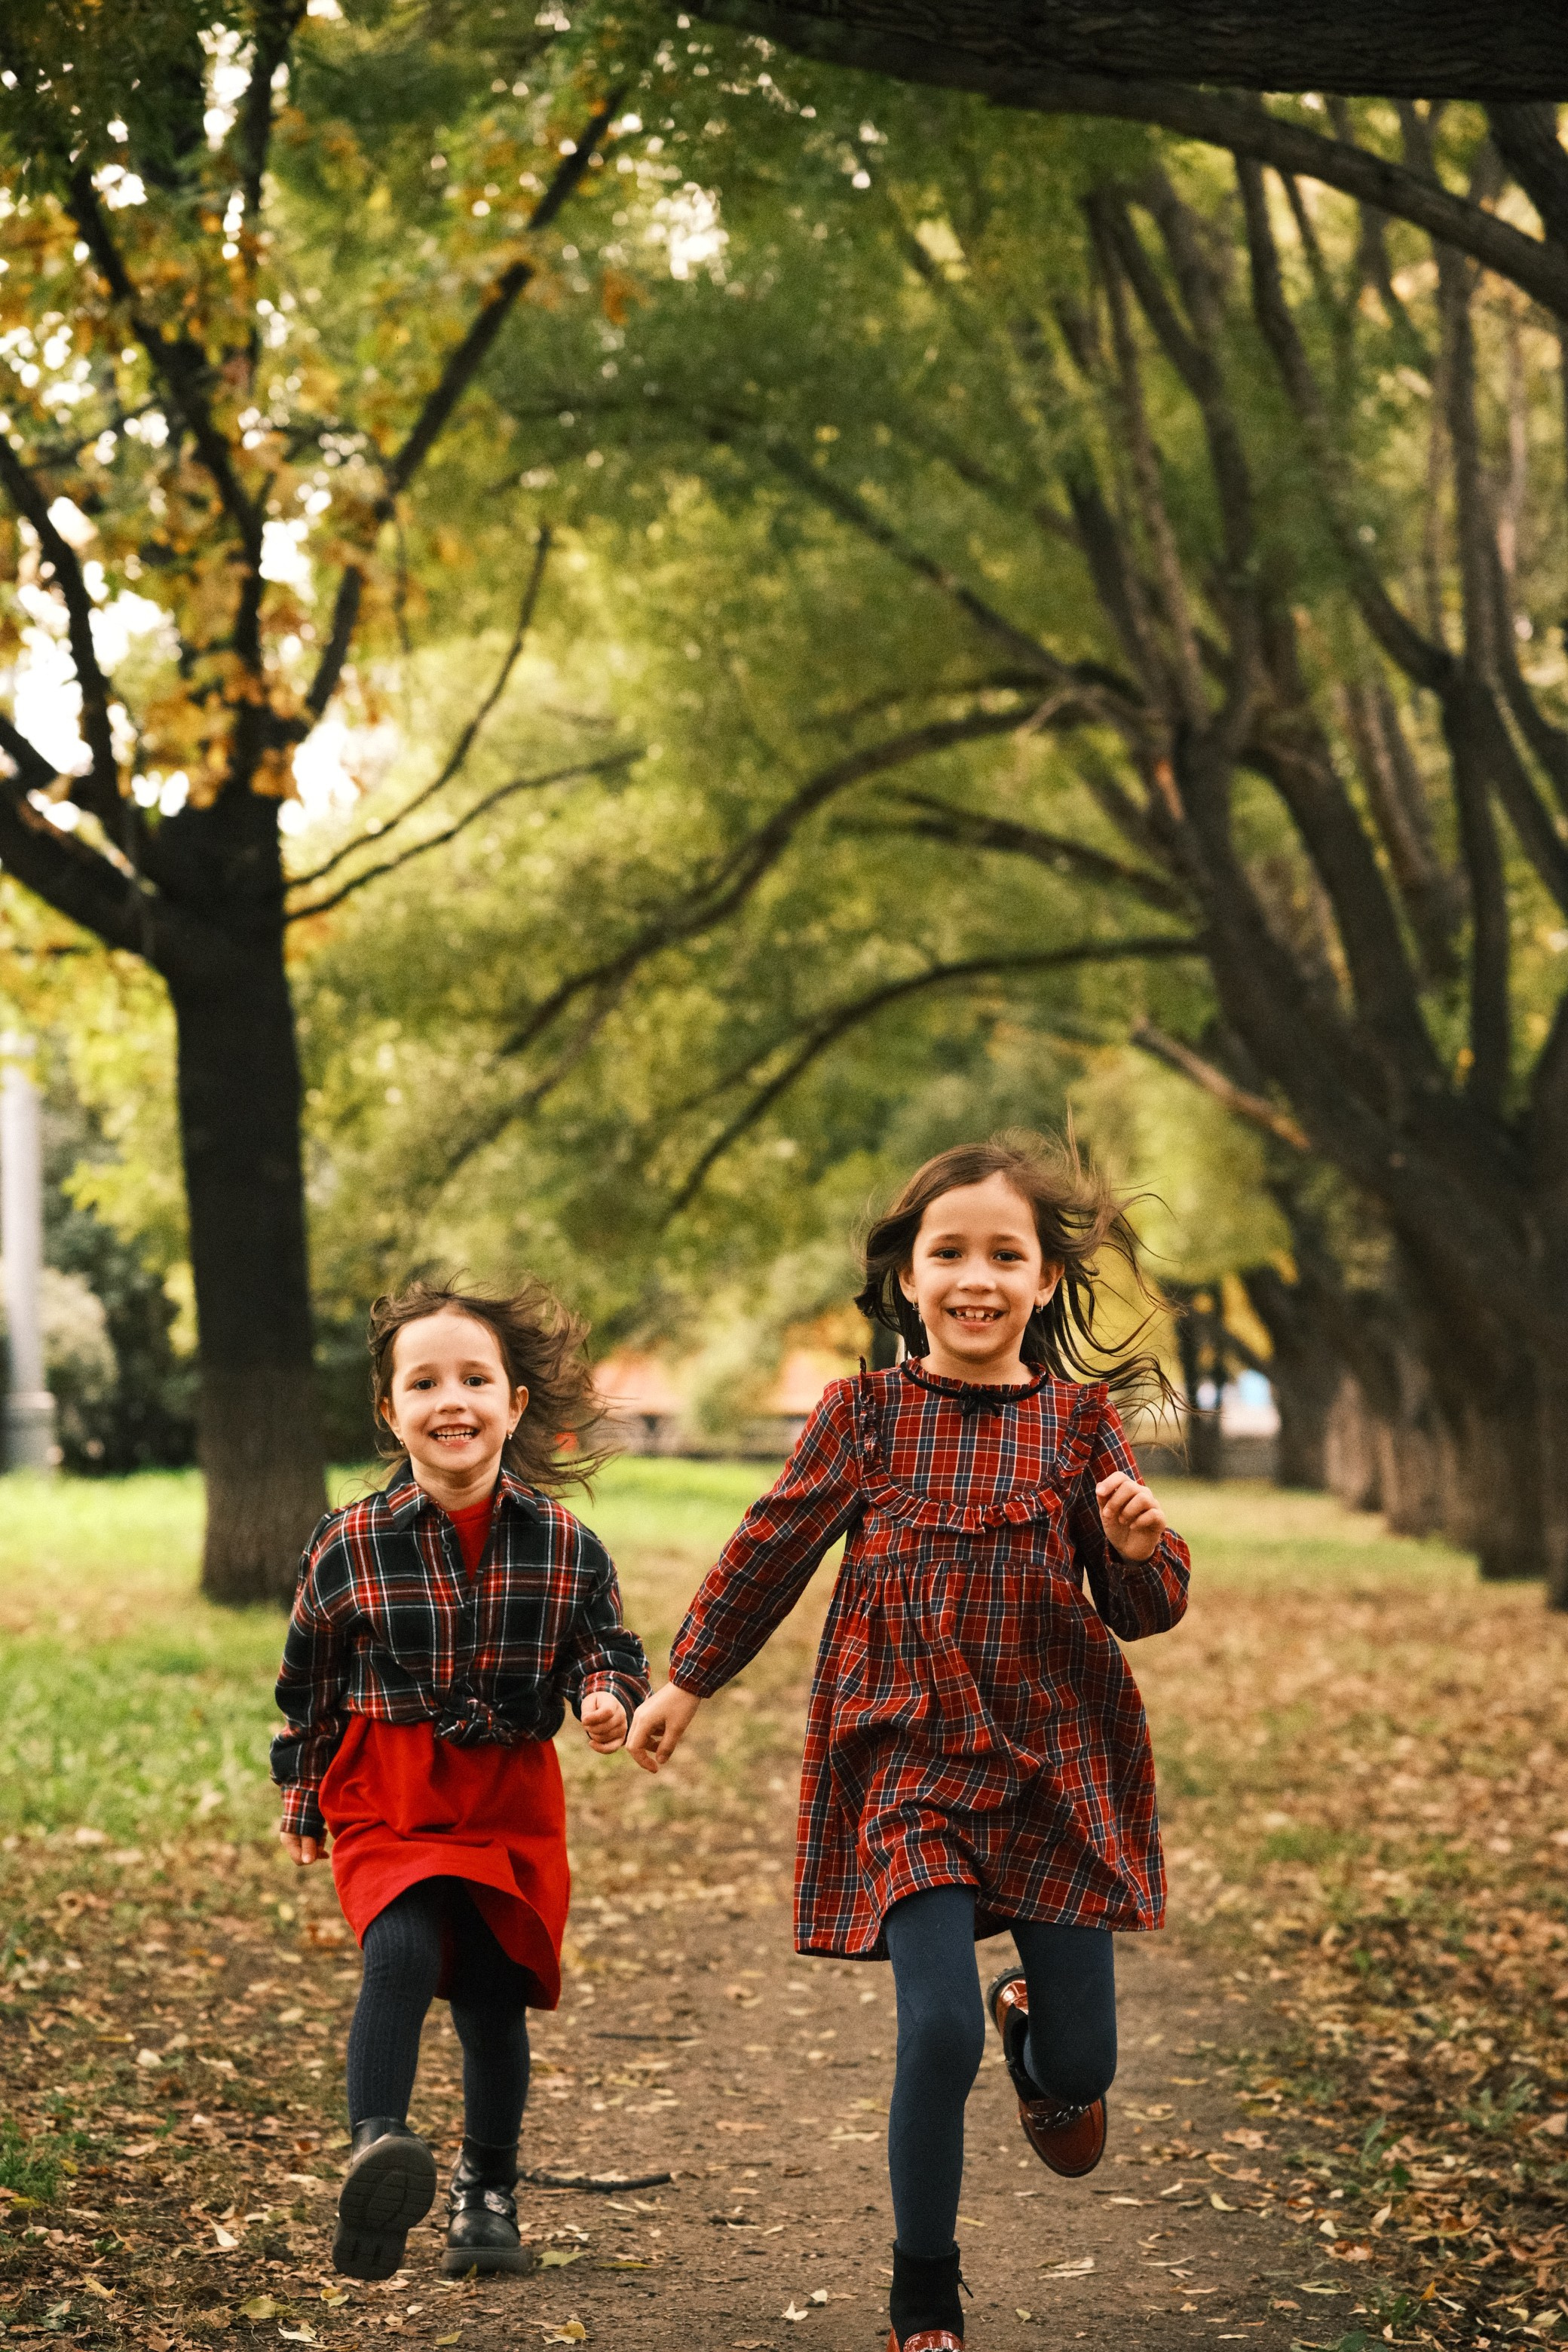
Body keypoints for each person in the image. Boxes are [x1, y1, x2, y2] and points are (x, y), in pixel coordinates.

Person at [628, 1134, 1190, 2352]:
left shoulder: (1082, 1427)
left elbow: (1139, 1612)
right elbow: (769, 1548)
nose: (975, 1278)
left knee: (1086, 2066)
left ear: (1046, 1282)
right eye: (950, 1252)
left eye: (1006, 1254)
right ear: (906, 1276)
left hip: (1055, 1765)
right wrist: (689, 1679)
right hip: (904, 1764)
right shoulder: (863, 1417)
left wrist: (1145, 1553)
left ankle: (1040, 2041)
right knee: (931, 2028)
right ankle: (923, 2299)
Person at [272, 1276, 648, 2284]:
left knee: (489, 1999)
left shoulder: (565, 1544)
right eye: (425, 1381)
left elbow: (605, 1648)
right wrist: (303, 1795)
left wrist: (606, 1698)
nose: (453, 1400)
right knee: (399, 1951)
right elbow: (306, 1684)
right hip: (386, 1794)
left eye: (475, 1378)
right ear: (391, 1412)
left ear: (514, 1405)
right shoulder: (348, 1543)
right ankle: (377, 2150)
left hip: (506, 1803)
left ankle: (489, 2194)